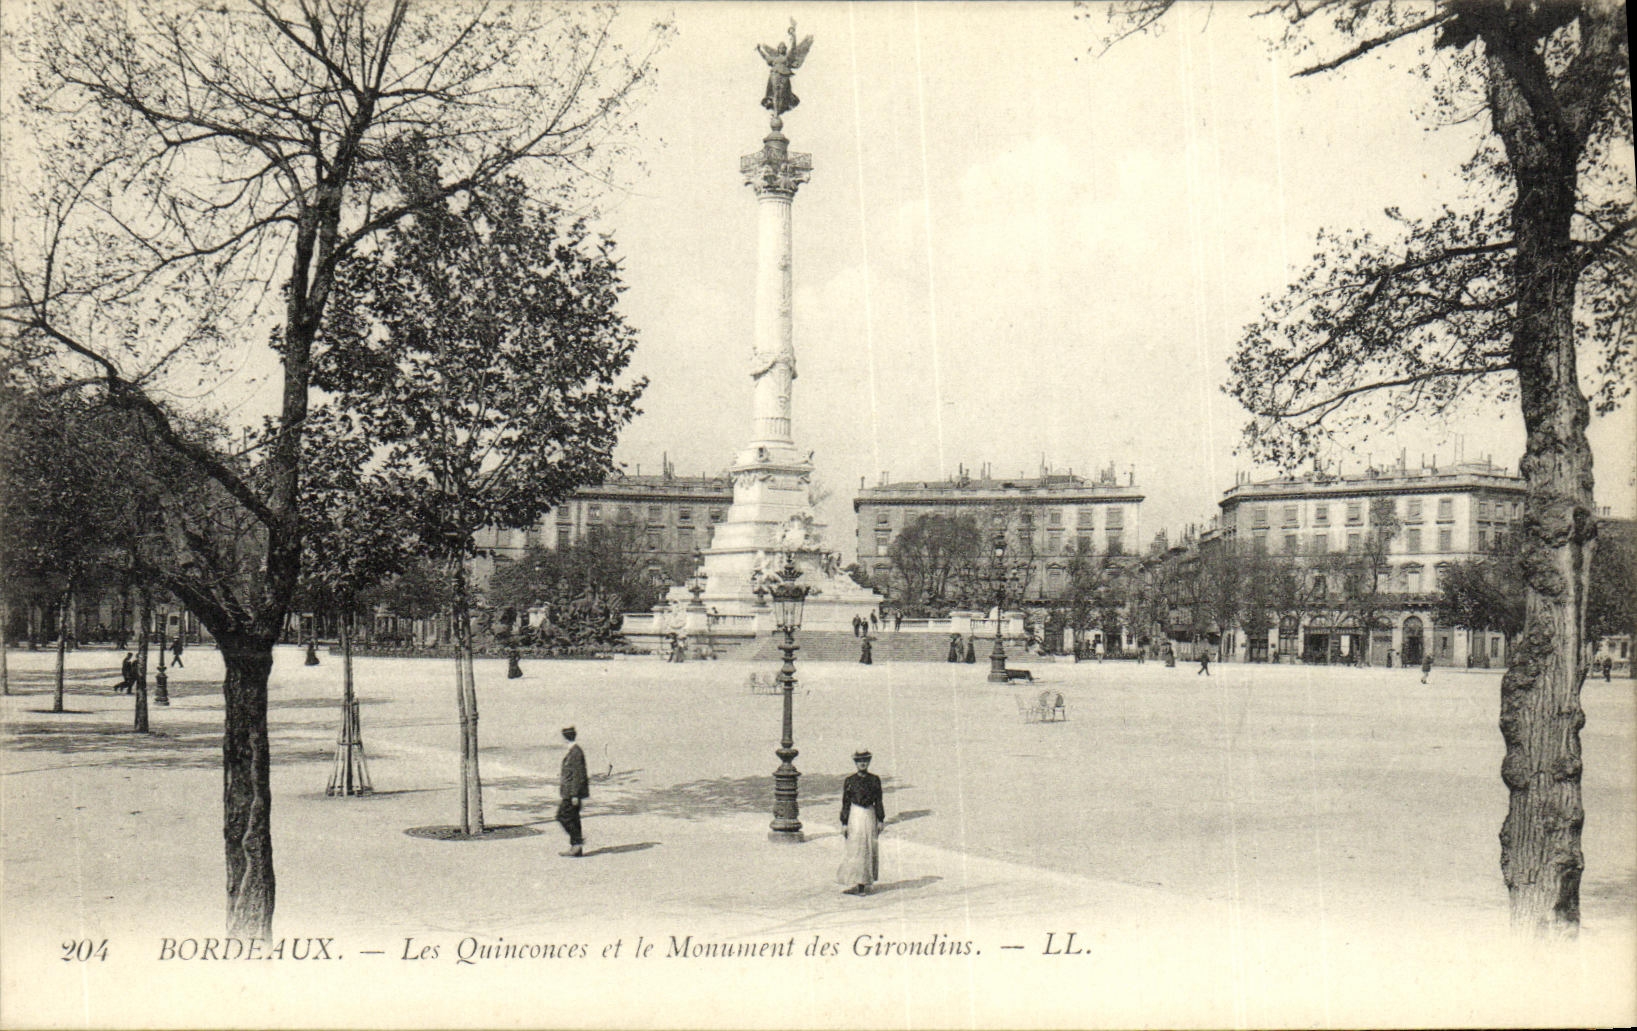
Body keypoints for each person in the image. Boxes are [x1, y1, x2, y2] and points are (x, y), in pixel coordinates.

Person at [837, 749, 885, 895]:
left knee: (868, 846)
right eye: (859, 761)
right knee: (856, 848)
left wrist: (880, 819)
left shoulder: (875, 780)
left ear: (869, 762)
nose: (862, 763)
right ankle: (857, 883)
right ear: (855, 763)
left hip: (869, 814)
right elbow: (845, 802)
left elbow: (878, 800)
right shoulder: (850, 781)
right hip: (855, 815)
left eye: (865, 760)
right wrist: (844, 823)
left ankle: (864, 884)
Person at [556, 726, 589, 857]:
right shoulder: (574, 751)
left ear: (565, 738)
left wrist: (575, 794)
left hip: (571, 794)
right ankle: (577, 848)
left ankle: (577, 843)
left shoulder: (575, 752)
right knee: (574, 818)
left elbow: (578, 774)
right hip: (570, 792)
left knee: (562, 816)